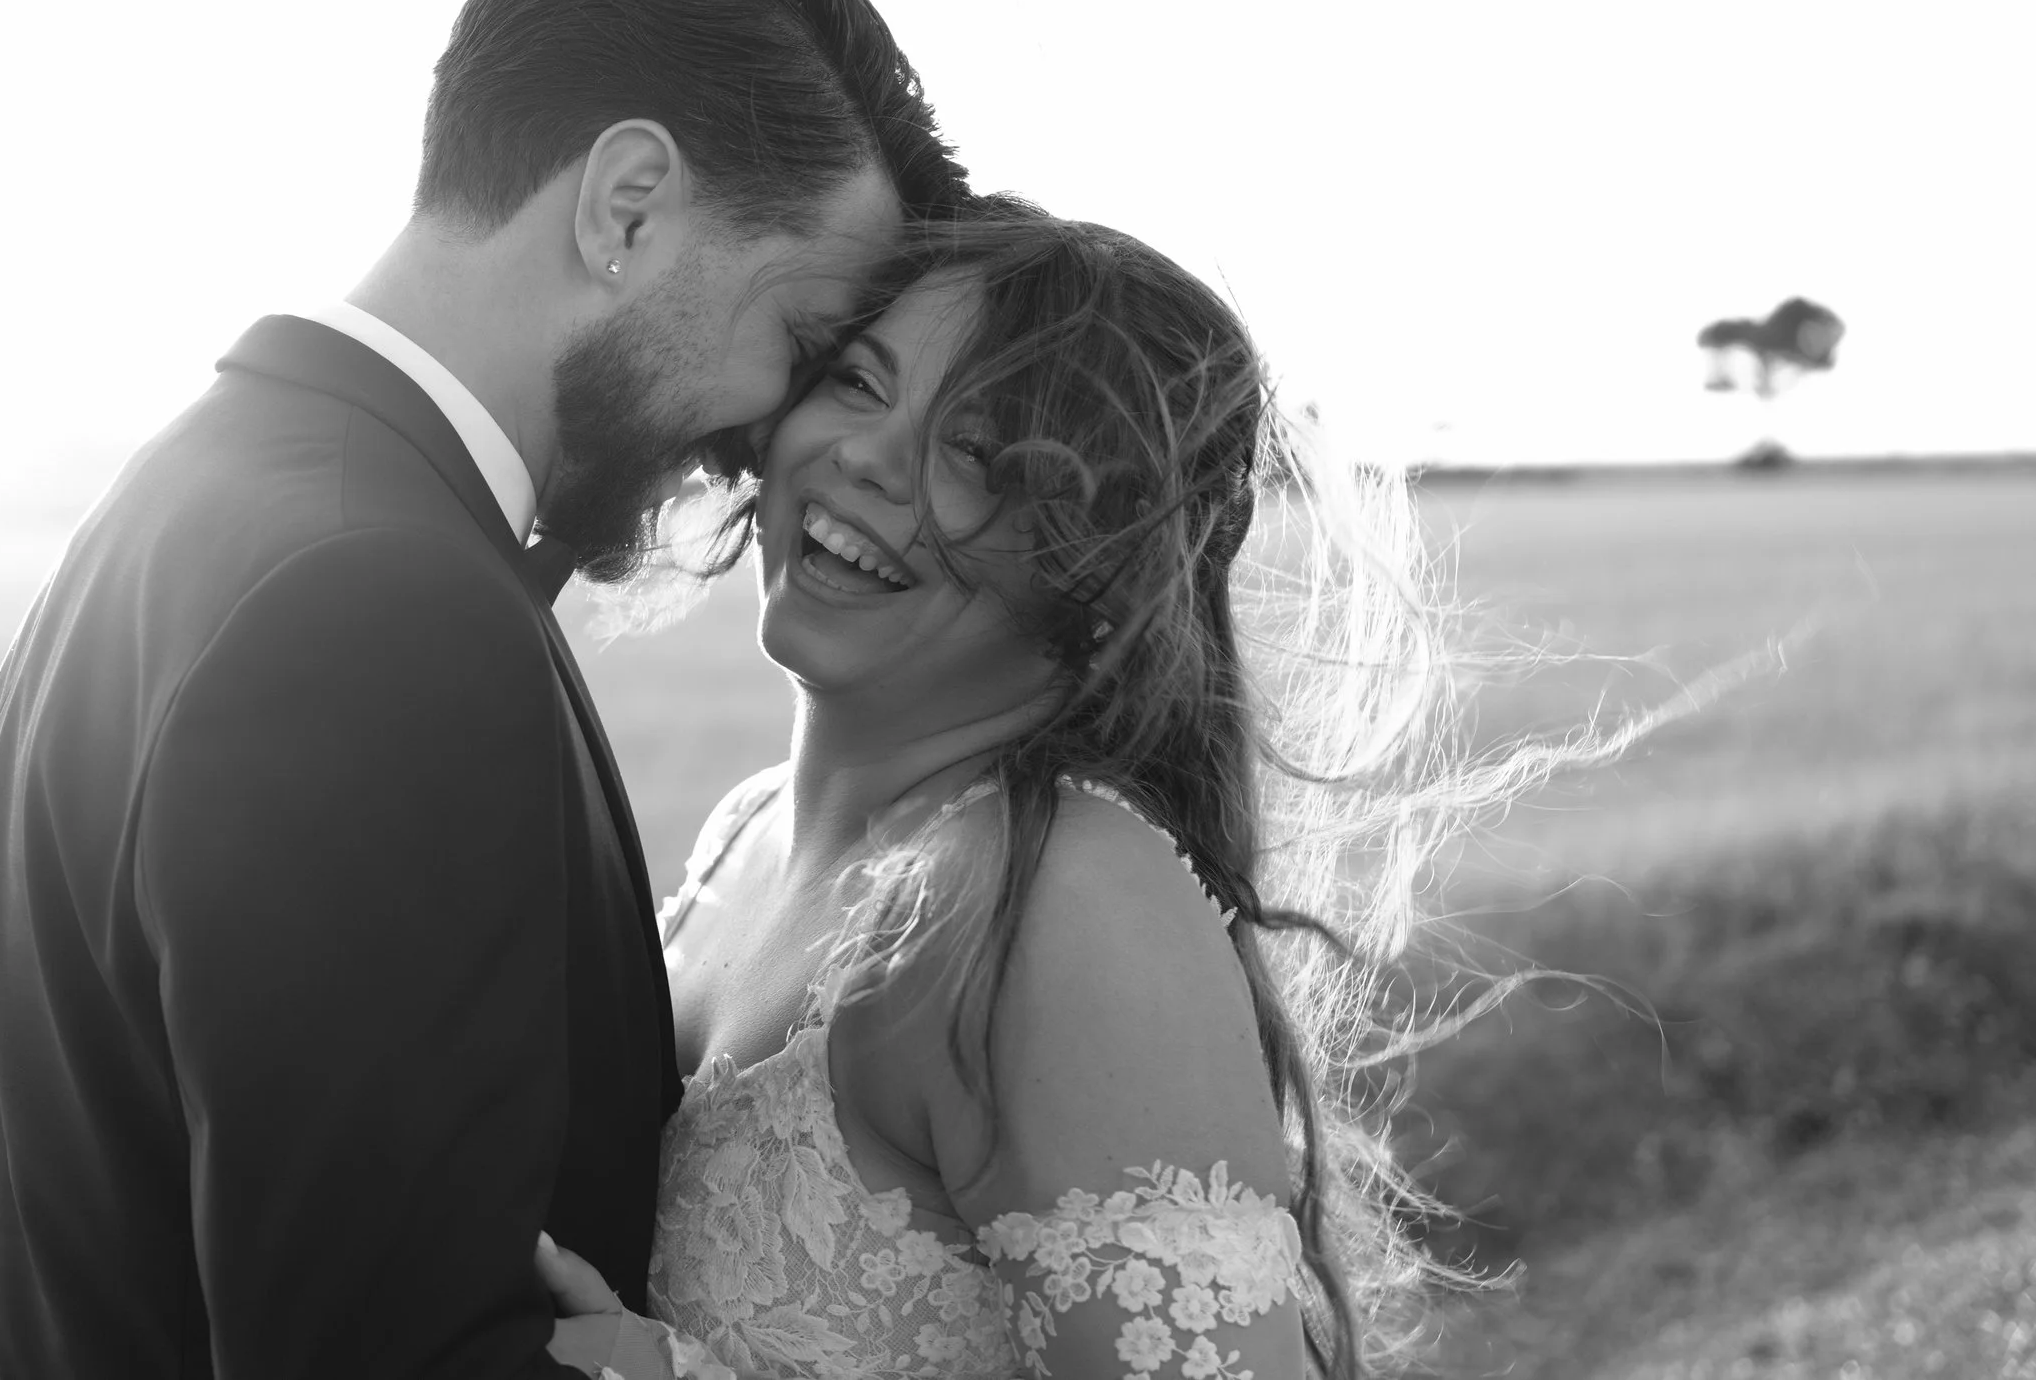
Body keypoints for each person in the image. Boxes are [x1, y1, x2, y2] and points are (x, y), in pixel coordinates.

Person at [0, 0, 967, 1378]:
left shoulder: (197, 501)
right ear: (628, 204)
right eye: (803, 341)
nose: (767, 439)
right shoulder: (381, 608)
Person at [541, 200, 1475, 1378]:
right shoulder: (746, 828)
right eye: (860, 383)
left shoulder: (1062, 903)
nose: (869, 457)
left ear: (1097, 573)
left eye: (977, 454)